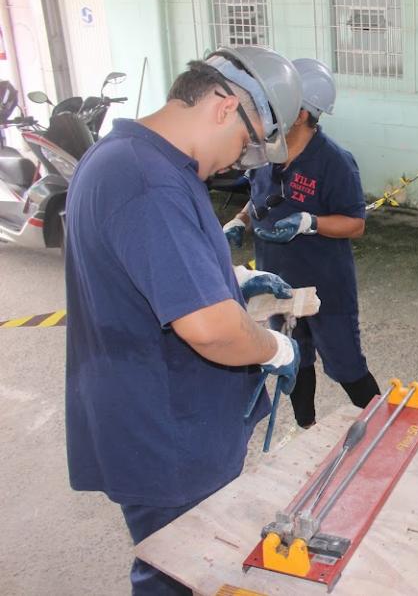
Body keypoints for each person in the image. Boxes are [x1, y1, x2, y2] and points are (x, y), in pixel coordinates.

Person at [65, 46, 304, 595]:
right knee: (180, 573)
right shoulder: (149, 181)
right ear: (224, 106)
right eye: (246, 145)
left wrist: (230, 281)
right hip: (167, 432)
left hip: (160, 416)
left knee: (185, 566)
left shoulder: (126, 156)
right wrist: (273, 348)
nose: (239, 163)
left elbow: (145, 273)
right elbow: (212, 329)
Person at [223, 58, 379, 429]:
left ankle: (381, 426)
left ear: (303, 113)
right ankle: (306, 427)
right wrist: (239, 220)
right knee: (295, 357)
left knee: (345, 366)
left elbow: (355, 224)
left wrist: (311, 222)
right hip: (276, 280)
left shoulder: (335, 162)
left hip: (325, 285)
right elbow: (260, 196)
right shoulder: (266, 150)